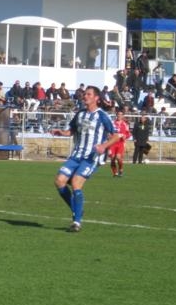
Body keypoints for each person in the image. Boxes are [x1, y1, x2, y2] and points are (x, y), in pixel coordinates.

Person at [50, 86, 120, 233]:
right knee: (59, 181)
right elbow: (72, 131)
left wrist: (104, 145)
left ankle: (76, 221)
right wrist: (61, 132)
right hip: (77, 154)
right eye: (84, 94)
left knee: (76, 183)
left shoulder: (102, 115)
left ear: (96, 98)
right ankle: (77, 209)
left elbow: (116, 136)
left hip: (92, 157)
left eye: (88, 94)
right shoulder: (80, 114)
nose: (85, 96)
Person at [109, 110, 131, 177]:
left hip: (120, 143)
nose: (119, 115)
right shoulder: (112, 123)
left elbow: (128, 134)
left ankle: (121, 169)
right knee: (112, 158)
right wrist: (109, 135)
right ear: (116, 115)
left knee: (118, 157)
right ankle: (115, 173)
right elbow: (109, 132)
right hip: (112, 143)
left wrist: (125, 136)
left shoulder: (125, 124)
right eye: (118, 114)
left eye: (121, 114)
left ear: (123, 116)